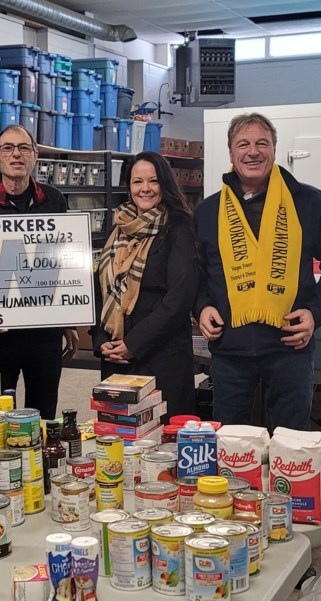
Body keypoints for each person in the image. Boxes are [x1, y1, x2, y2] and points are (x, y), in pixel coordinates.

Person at [195, 112, 321, 429]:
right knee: (232, 444)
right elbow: (197, 273)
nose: (253, 151)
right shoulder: (208, 211)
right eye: (243, 144)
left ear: (274, 149)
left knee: (291, 442)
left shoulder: (308, 202)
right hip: (230, 348)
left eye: (262, 143)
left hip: (289, 347)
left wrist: (315, 313)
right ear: (231, 152)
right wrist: (202, 307)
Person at [0, 124, 79, 420]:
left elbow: (61, 262)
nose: (16, 154)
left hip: (44, 331)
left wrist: (70, 319)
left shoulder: (54, 200)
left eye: (24, 148)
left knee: (44, 411)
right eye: (8, 148)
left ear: (35, 156)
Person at [93, 151, 199, 418]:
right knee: (119, 439)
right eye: (138, 182)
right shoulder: (120, 228)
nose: (145, 189)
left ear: (165, 184)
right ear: (129, 186)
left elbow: (179, 299)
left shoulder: (179, 228)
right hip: (116, 356)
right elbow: (102, 290)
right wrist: (101, 340)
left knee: (163, 442)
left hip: (161, 358)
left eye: (153, 181)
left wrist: (134, 343)